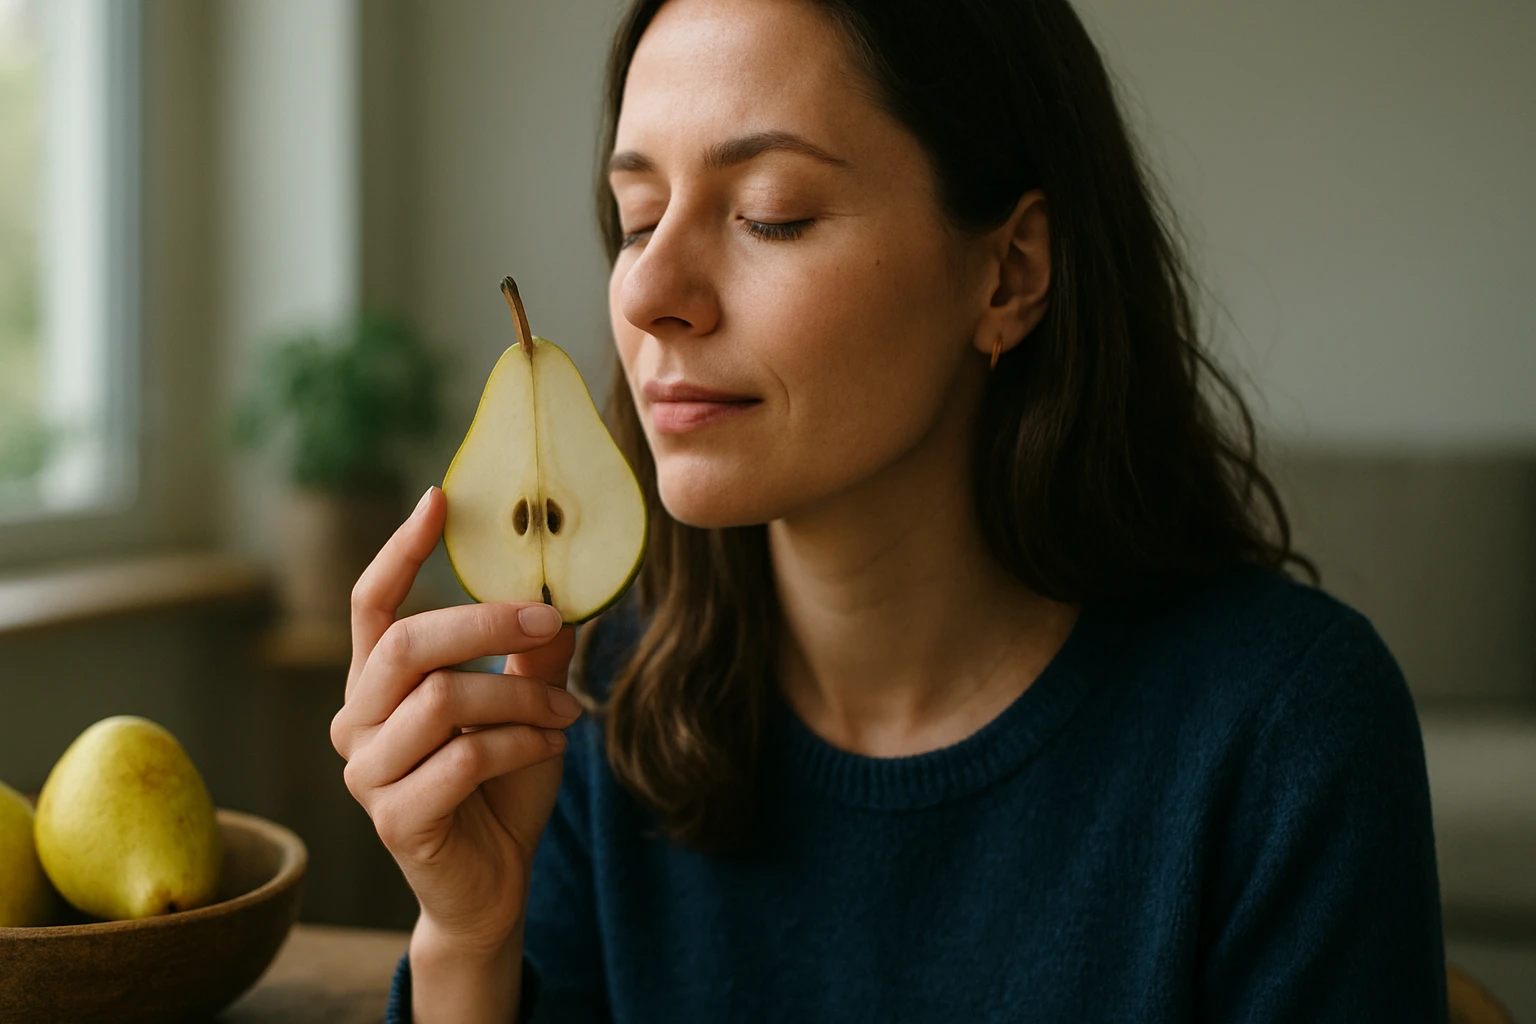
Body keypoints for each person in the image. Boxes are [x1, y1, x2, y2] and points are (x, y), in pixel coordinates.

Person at [330, 0, 1449, 1020]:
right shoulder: (600, 707)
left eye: (769, 214)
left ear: (1008, 273)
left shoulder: (1286, 729)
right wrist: (469, 938)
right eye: (635, 217)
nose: (645, 292)